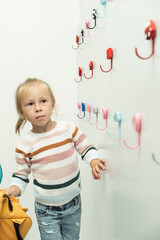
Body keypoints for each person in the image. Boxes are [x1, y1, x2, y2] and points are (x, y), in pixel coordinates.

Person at [4, 78, 106, 240]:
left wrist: (94, 160)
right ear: (21, 111)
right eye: (30, 104)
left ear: (52, 104)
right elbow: (21, 176)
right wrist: (13, 190)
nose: (38, 108)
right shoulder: (25, 145)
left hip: (73, 203)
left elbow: (85, 147)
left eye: (43, 101)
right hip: (46, 210)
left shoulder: (68, 129)